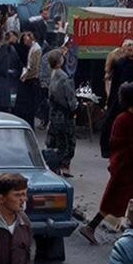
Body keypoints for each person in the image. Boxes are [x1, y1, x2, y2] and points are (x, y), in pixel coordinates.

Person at [81, 81, 133, 245]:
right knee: (131, 203)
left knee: (117, 201)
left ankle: (93, 227)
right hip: (130, 171)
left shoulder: (123, 118)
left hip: (123, 168)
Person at [45, 49, 77, 177]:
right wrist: (74, 109)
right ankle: (64, 165)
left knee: (55, 139)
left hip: (54, 113)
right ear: (60, 61)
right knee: (68, 140)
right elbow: (70, 98)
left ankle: (55, 165)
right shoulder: (64, 77)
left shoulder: (51, 74)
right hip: (64, 113)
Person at [12, 30, 42, 127]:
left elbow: (35, 68)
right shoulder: (32, 48)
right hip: (28, 78)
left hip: (30, 81)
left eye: (25, 39)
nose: (24, 42)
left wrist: (25, 77)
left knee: (28, 107)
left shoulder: (36, 49)